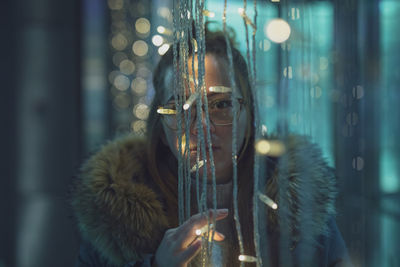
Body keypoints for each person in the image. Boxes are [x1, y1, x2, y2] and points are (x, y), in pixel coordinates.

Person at [71, 26, 352, 267]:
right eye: (181, 108)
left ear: (249, 115)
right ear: (160, 124)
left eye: (221, 105)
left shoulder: (300, 204)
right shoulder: (113, 217)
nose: (202, 127)